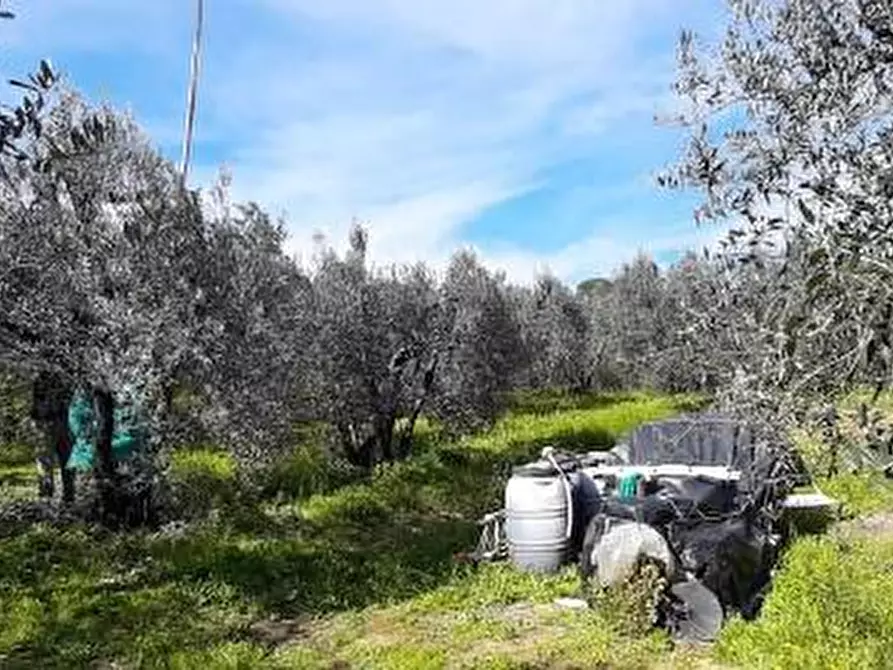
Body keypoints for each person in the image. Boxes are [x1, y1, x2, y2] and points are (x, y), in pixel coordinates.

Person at [30, 370, 74, 502]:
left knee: (63, 461)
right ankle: (49, 498)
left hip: (59, 423)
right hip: (48, 423)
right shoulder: (45, 377)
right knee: (47, 461)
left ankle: (66, 497)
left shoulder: (64, 377)